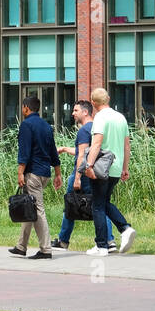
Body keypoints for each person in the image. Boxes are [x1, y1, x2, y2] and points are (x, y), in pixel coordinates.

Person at [9, 95, 61, 259]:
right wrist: (58, 173)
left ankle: (46, 249)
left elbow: (24, 151)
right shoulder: (46, 125)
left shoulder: (27, 125)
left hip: (33, 174)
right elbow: (53, 151)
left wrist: (20, 172)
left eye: (22, 107)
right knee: (29, 207)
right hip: (45, 173)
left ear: (26, 107)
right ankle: (21, 246)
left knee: (37, 210)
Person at [85, 87, 136, 256]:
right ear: (107, 99)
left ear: (93, 102)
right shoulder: (120, 117)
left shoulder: (100, 117)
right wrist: (125, 168)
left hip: (101, 167)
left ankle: (102, 245)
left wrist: (89, 165)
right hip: (116, 167)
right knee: (104, 202)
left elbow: (97, 143)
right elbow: (126, 145)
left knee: (97, 206)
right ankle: (124, 229)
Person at [53, 99, 104, 251]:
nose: (73, 113)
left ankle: (63, 241)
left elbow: (81, 155)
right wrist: (64, 149)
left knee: (69, 205)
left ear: (85, 112)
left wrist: (77, 177)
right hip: (95, 172)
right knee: (99, 206)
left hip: (82, 174)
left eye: (75, 110)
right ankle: (109, 240)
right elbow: (87, 151)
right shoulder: (96, 128)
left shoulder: (83, 130)